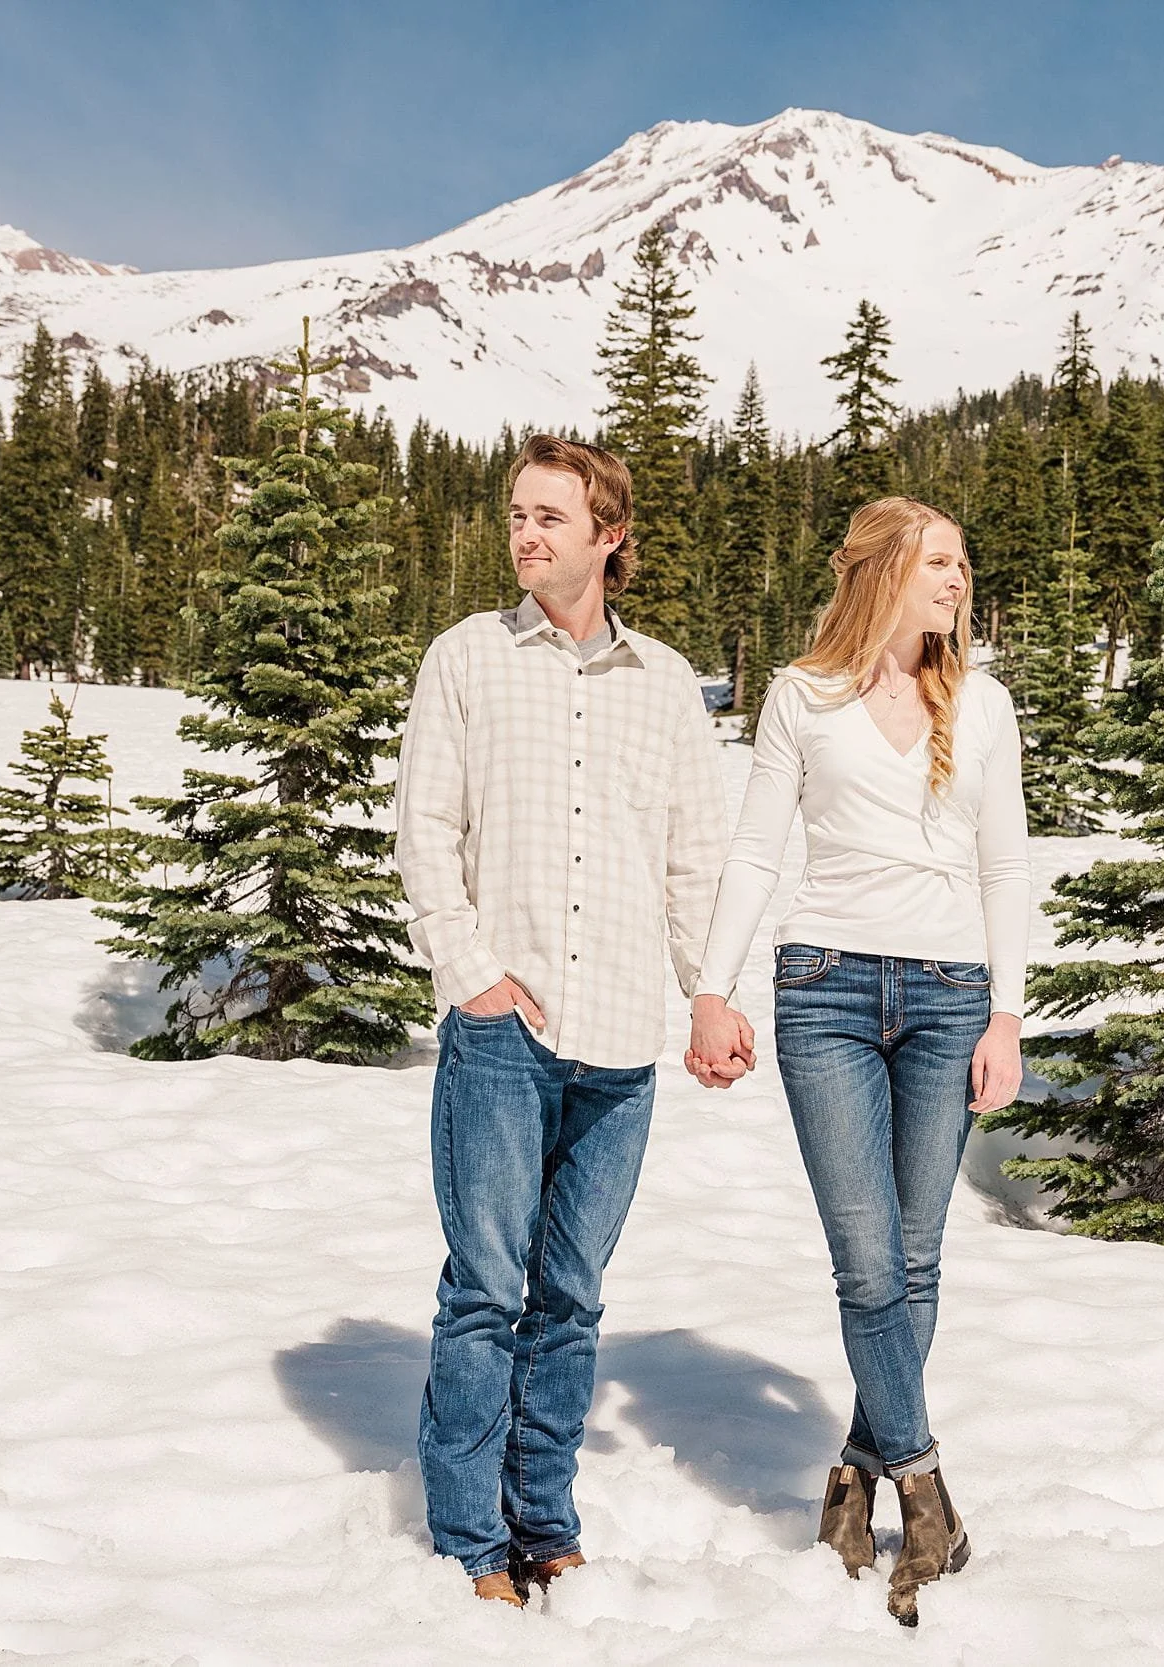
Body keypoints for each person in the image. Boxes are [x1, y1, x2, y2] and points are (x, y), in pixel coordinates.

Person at [397, 433, 751, 1608]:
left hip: (618, 1042)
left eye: (551, 516)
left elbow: (696, 859)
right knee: (486, 1288)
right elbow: (425, 834)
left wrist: (706, 993)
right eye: (514, 514)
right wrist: (473, 976)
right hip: (504, 1032)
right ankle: (467, 1532)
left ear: (610, 536)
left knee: (571, 1299)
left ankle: (543, 1516)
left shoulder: (665, 683)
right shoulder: (466, 659)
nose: (525, 534)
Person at [687, 496, 1028, 1626]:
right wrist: (710, 985)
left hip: (948, 996)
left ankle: (852, 1474)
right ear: (884, 570)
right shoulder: (803, 695)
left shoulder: (981, 705)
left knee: (917, 1253)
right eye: (942, 561)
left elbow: (1004, 870)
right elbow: (752, 846)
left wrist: (1006, 1019)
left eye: (964, 565)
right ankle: (923, 1485)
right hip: (823, 990)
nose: (960, 580)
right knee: (867, 1256)